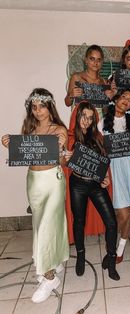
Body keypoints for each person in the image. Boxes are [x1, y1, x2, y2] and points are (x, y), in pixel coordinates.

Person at [1, 88, 69, 303]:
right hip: (33, 182)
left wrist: (62, 153)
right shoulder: (28, 131)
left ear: (50, 107)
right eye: (34, 106)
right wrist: (11, 145)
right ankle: (54, 259)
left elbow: (60, 159)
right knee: (42, 224)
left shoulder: (59, 130)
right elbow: (26, 157)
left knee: (45, 228)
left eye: (42, 106)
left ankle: (49, 277)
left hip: (52, 182)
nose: (38, 110)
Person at [65, 44, 114, 243]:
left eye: (99, 59)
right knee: (79, 168)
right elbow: (68, 102)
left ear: (102, 62)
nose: (95, 62)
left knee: (97, 169)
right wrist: (72, 96)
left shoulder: (104, 82)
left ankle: (98, 222)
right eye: (92, 58)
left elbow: (108, 107)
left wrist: (110, 97)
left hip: (97, 126)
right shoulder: (76, 77)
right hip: (79, 126)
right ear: (86, 60)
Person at [65, 101, 120, 281]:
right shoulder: (69, 137)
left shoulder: (98, 137)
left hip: (96, 185)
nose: (86, 121)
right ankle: (80, 256)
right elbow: (63, 162)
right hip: (78, 184)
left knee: (111, 222)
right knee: (78, 222)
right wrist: (65, 157)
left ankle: (111, 259)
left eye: (90, 118)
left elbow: (103, 163)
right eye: (84, 117)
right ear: (77, 116)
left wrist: (106, 177)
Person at [98, 88, 130, 263]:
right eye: (124, 97)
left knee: (127, 212)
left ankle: (120, 246)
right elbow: (99, 150)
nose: (126, 101)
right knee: (120, 213)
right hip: (113, 169)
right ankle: (112, 243)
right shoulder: (101, 123)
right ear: (116, 98)